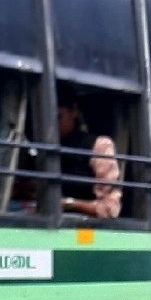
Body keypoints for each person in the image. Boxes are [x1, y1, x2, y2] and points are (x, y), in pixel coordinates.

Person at [57, 86, 121, 219]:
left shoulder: (99, 146)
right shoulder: (42, 148)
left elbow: (110, 209)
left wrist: (69, 204)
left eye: (58, 118)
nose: (52, 127)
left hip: (85, 229)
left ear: (73, 111)